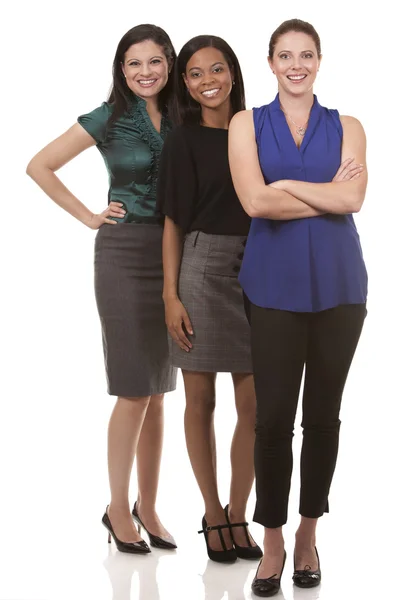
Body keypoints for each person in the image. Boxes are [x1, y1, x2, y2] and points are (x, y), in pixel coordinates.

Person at [26, 24, 178, 554]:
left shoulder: (183, 114)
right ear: (121, 68)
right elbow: (38, 165)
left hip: (173, 256)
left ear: (169, 63)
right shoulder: (108, 116)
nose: (145, 73)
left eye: (155, 61)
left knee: (159, 391)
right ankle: (117, 510)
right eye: (133, 63)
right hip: (123, 255)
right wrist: (90, 215)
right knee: (134, 387)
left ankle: (150, 505)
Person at [228, 18, 368, 595]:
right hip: (272, 288)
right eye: (285, 55)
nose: (296, 64)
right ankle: (275, 537)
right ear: (270, 63)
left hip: (340, 288)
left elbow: (355, 197)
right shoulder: (246, 123)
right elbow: (256, 201)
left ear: (318, 60)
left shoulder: (350, 126)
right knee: (272, 420)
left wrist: (288, 187)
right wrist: (323, 195)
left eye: (306, 54)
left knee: (324, 418)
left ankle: (309, 533)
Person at [156, 35, 262, 563]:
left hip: (259, 271)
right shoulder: (183, 139)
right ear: (186, 86)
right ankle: (213, 511)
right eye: (194, 74)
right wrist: (170, 293)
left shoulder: (255, 130)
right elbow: (173, 220)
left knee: (256, 406)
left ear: (234, 73)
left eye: (216, 69)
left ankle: (239, 510)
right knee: (201, 401)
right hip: (200, 268)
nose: (207, 81)